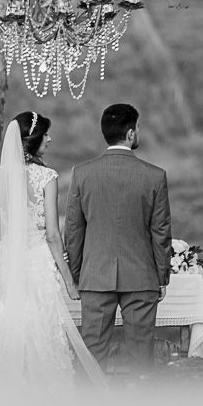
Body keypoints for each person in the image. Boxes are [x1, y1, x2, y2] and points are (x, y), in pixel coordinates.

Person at [0, 112, 106, 389]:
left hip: (9, 264)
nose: (50, 139)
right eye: (46, 134)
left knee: (6, 325)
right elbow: (52, 235)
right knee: (41, 332)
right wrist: (69, 280)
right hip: (38, 262)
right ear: (33, 139)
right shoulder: (47, 176)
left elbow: (9, 222)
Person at [65, 103, 171, 375]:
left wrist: (77, 275)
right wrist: (162, 277)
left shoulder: (82, 173)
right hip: (141, 276)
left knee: (92, 355)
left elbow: (74, 231)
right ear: (132, 133)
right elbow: (160, 232)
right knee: (140, 358)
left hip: (95, 276)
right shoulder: (155, 176)